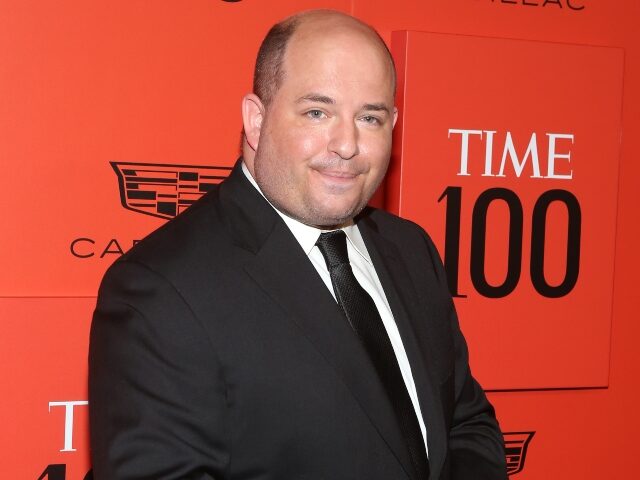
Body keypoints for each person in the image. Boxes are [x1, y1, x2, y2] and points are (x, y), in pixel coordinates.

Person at [89, 9, 507, 480]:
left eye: (370, 117)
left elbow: (466, 425)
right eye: (317, 112)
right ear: (256, 119)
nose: (347, 144)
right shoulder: (162, 289)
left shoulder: (411, 251)